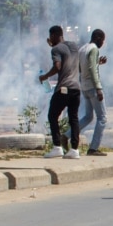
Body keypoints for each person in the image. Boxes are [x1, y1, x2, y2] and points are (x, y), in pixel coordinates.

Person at [37, 25, 82, 159]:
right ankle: (74, 149)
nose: (50, 39)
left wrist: (45, 76)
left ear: (54, 35)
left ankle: (57, 147)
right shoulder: (74, 46)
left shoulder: (56, 49)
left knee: (52, 116)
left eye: (51, 36)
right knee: (73, 118)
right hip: (76, 87)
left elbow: (57, 66)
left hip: (64, 87)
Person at [77, 29, 108, 156]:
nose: (103, 43)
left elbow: (81, 68)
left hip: (84, 87)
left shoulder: (83, 49)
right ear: (98, 38)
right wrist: (99, 88)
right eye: (103, 40)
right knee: (102, 118)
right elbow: (92, 70)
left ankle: (67, 135)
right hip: (93, 87)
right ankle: (93, 148)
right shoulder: (94, 49)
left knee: (88, 117)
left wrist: (98, 62)